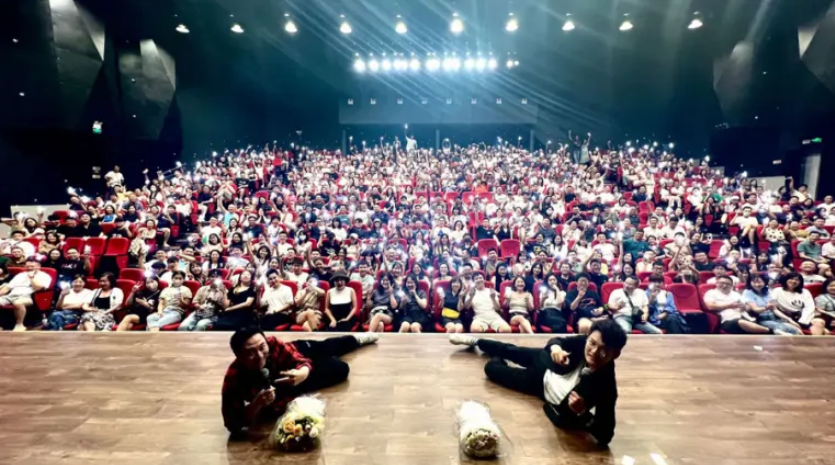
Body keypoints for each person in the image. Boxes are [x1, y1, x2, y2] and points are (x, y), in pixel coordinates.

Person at [449, 319, 627, 446]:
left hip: (538, 384)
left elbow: (605, 436)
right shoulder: (584, 342)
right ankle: (476, 341)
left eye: (603, 351)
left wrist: (583, 413)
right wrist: (556, 348)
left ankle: (496, 356)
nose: (594, 352)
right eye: (592, 343)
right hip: (546, 362)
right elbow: (557, 340)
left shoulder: (606, 386)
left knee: (492, 370)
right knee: (510, 349)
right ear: (588, 338)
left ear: (615, 354)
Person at [221, 327, 379, 434]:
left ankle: (358, 339)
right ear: (238, 356)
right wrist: (256, 404)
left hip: (297, 358)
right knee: (341, 369)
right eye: (250, 353)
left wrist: (303, 372)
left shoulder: (274, 344)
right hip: (287, 383)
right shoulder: (234, 377)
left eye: (262, 347)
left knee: (328, 346)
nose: (259, 356)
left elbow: (299, 360)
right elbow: (232, 424)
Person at [703, 275, 775, 334]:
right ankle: (770, 331)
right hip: (727, 319)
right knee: (741, 322)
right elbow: (710, 306)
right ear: (716, 283)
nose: (724, 285)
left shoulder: (735, 294)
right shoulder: (711, 293)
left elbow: (748, 307)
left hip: (745, 316)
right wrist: (730, 305)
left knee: (749, 321)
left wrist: (744, 307)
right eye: (721, 283)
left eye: (728, 284)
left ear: (732, 285)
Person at [0, 258, 52, 331]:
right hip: (11, 295)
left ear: (38, 266)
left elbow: (38, 288)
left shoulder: (45, 276)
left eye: (32, 266)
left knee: (18, 303)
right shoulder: (20, 275)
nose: (29, 268)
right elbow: (8, 288)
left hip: (29, 296)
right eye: (27, 266)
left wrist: (31, 277)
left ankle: (19, 324)